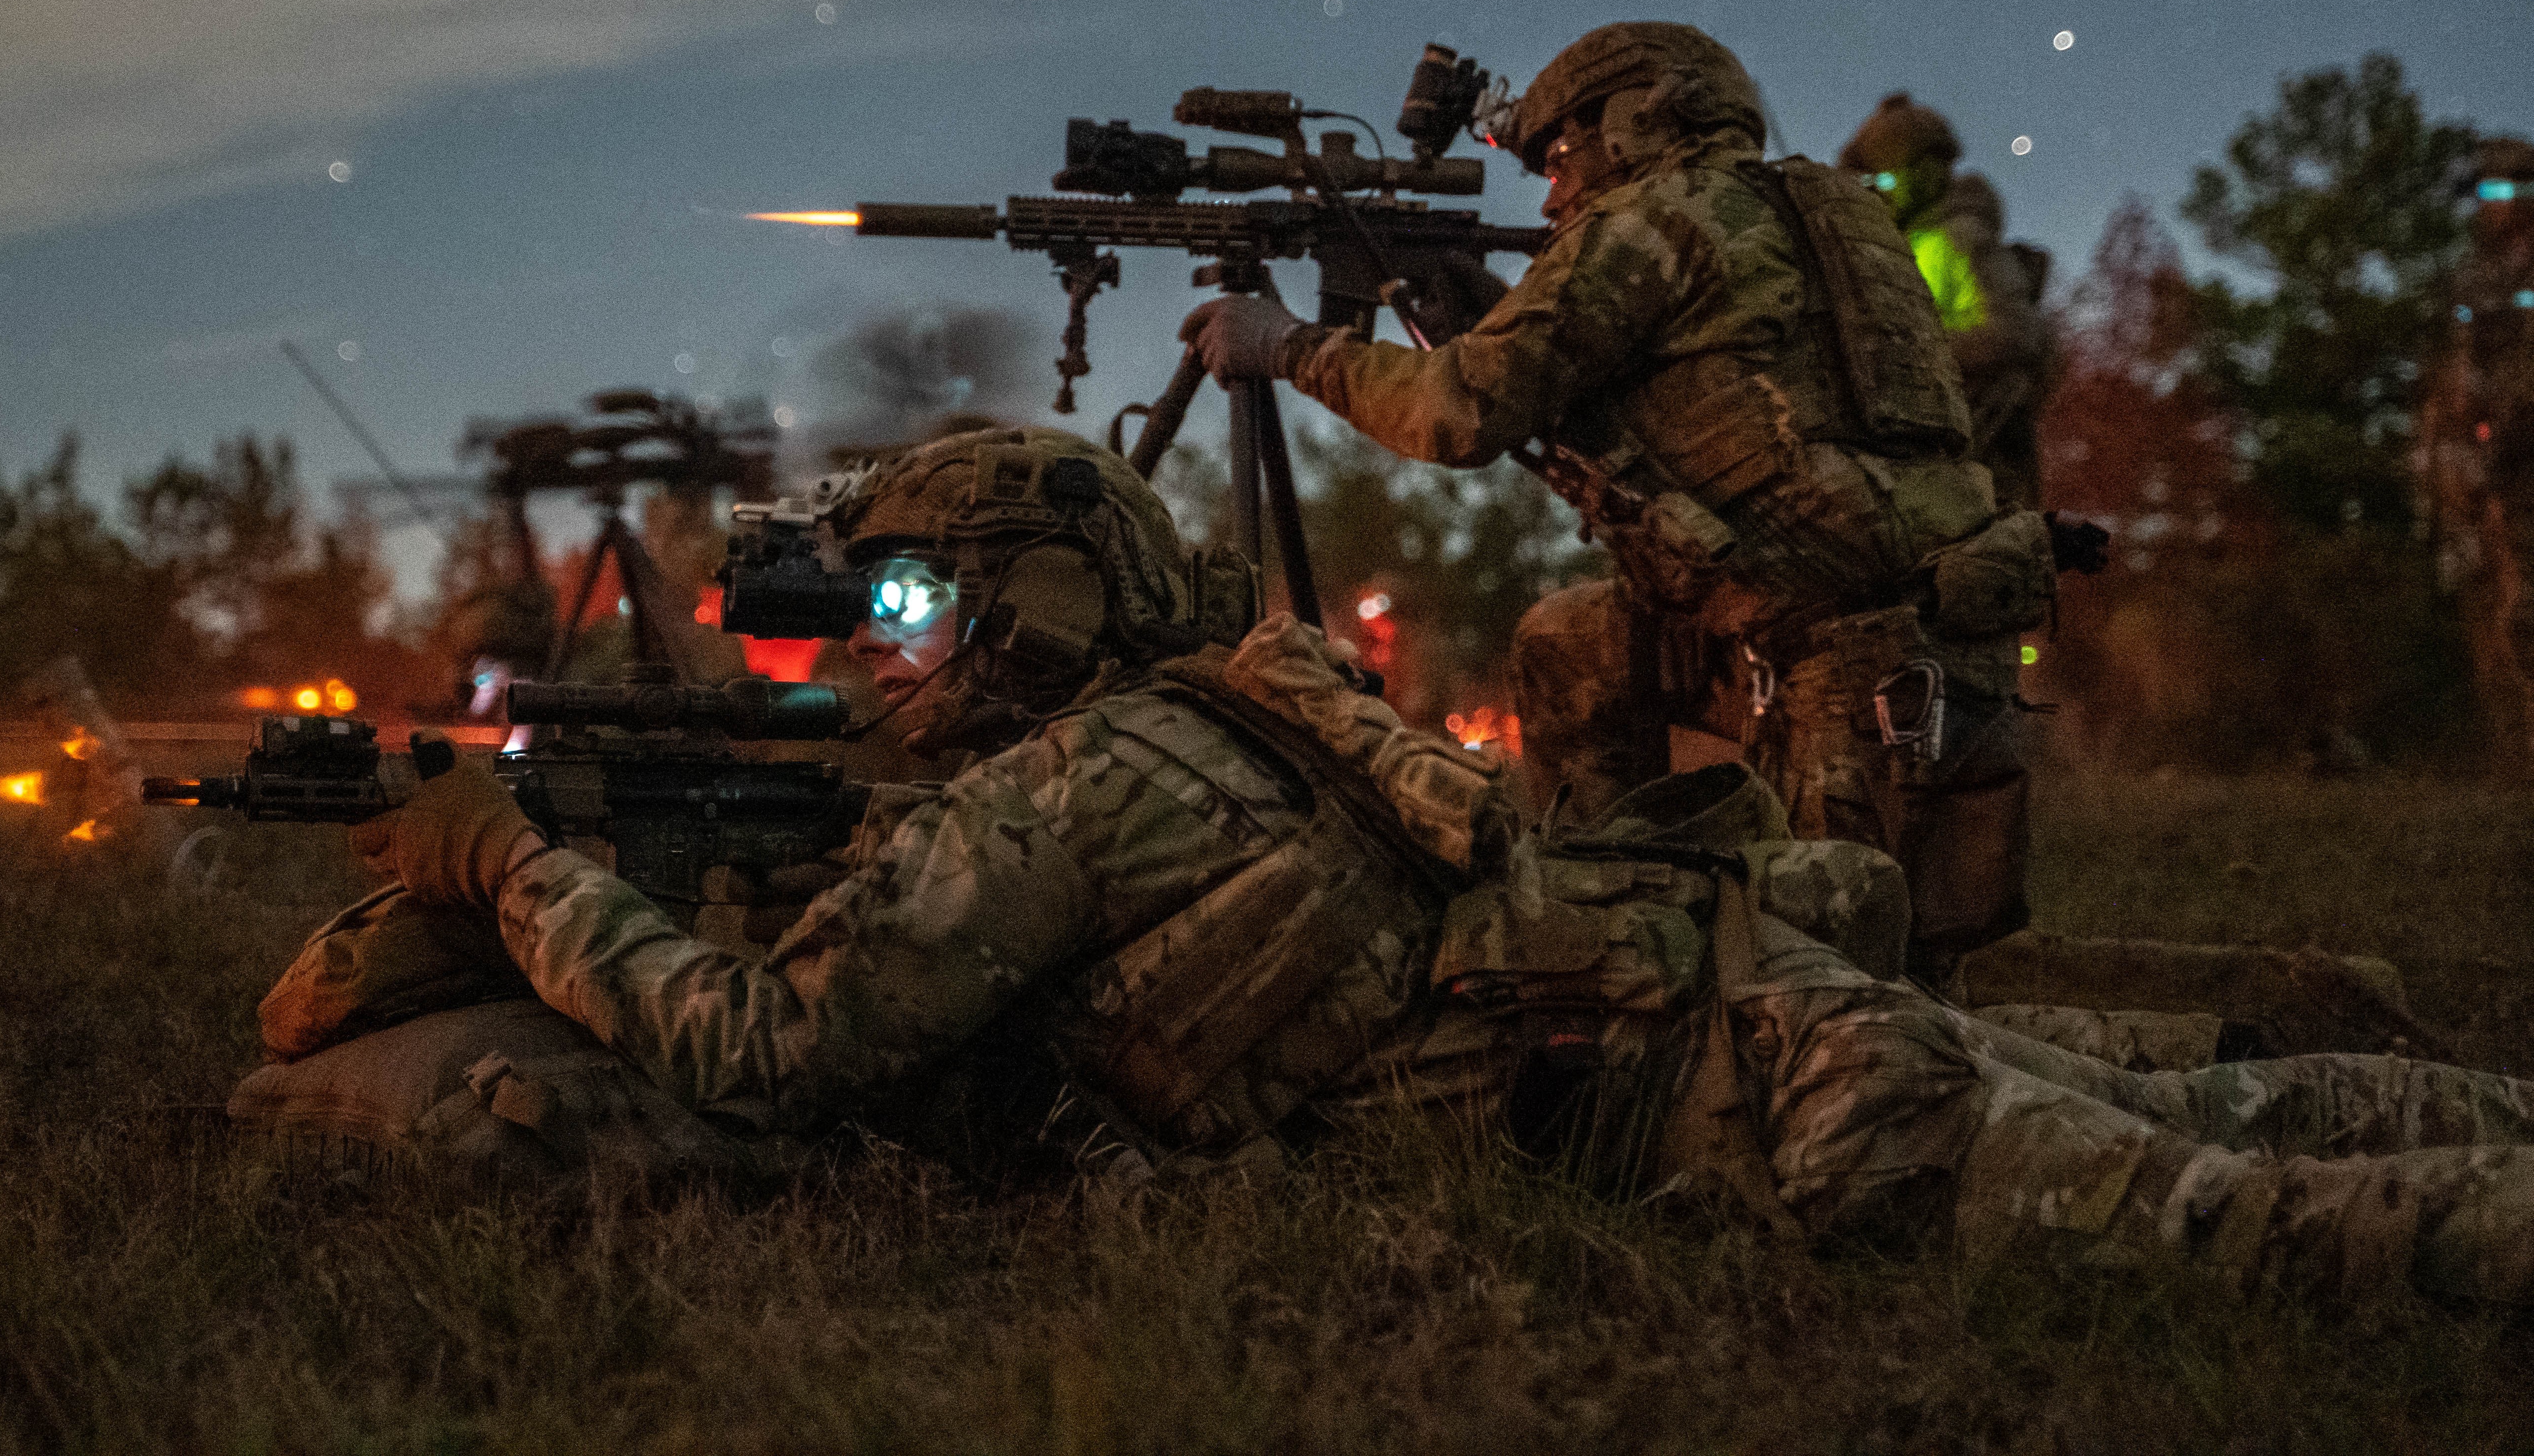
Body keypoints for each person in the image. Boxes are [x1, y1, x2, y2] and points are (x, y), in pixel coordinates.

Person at [251, 424, 2534, 1308]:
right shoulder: (1225, 696)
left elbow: (765, 1050)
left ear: (1031, 602)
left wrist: (508, 865)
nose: (882, 656)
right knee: (2271, 1106)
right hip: (1739, 1002)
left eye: (918, 608)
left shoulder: (1060, 795)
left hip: (1752, 1106)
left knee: (2286, 1229)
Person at [1181, 23, 2041, 981]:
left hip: (1849, 660)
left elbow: (1458, 414)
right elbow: (1693, 380)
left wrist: (1286, 347)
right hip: (1890, 614)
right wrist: (1491, 314)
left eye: (1560, 155)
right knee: (1571, 646)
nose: (1552, 190)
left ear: (1634, 118)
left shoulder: (1656, 220)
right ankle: (1616, 934)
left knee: (1847, 1003)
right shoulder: (1828, 212)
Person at [1837, 93, 2059, 511]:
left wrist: (1901, 357)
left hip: (1979, 467)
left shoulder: (1950, 238)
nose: (1877, 196)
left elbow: (2013, 335)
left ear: (1922, 172)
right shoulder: (1926, 238)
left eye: (1883, 182)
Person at [2415, 135, 2534, 759]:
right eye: (2490, 189)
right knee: (2485, 610)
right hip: (2475, 462)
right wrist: (2435, 458)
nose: (2503, 201)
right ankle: (2511, 757)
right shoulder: (2464, 277)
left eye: (2515, 186)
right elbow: (2444, 371)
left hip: (2524, 454)